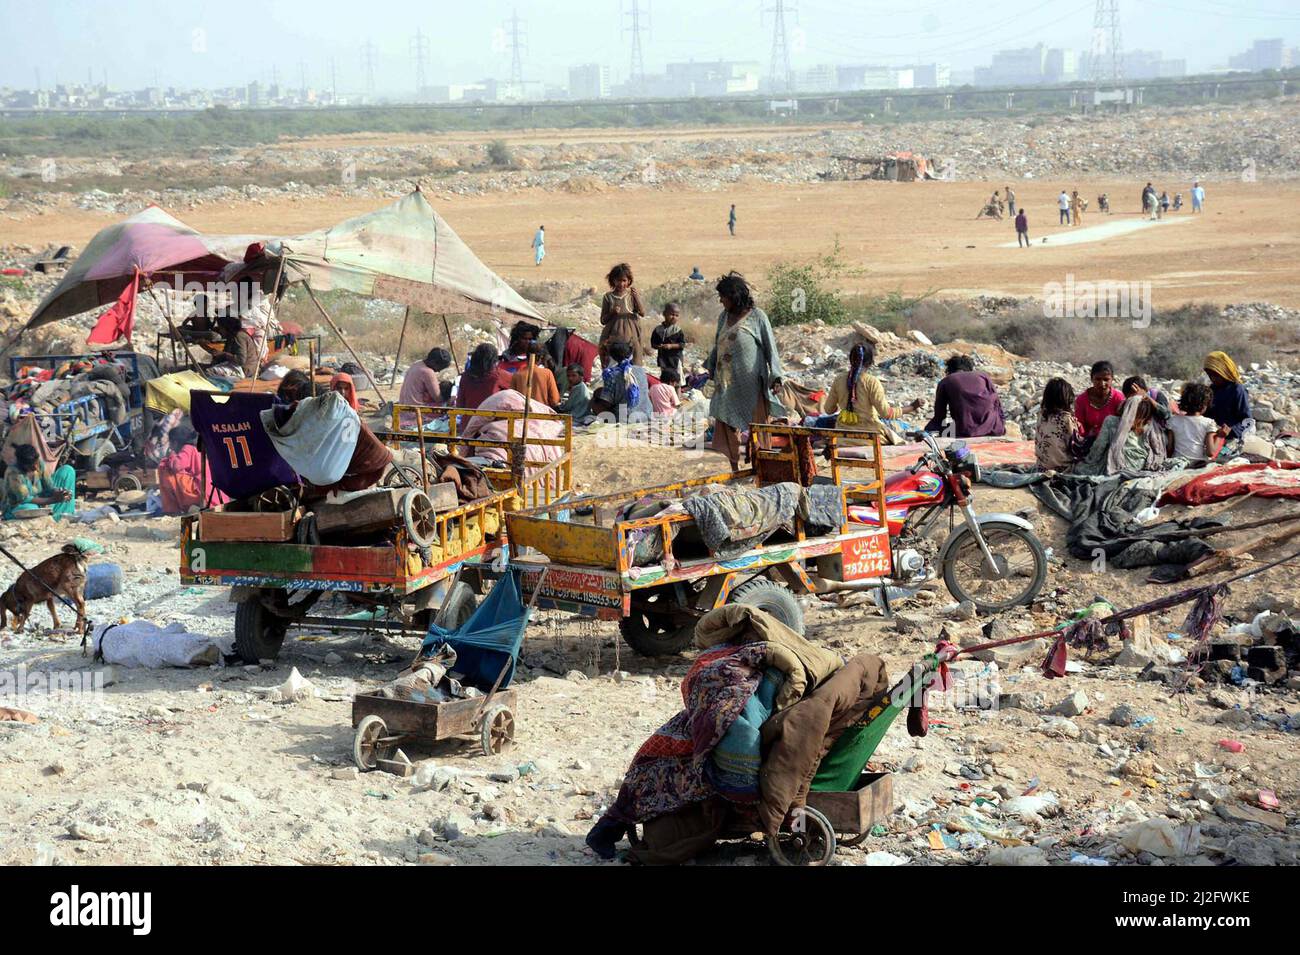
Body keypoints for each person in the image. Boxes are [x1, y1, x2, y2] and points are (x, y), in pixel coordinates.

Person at [704, 272, 785, 471]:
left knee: (757, 425)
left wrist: (776, 377)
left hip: (751, 382)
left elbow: (770, 348)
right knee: (727, 423)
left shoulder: (757, 317)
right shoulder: (724, 316)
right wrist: (711, 367)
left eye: (723, 296)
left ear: (734, 296)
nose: (721, 300)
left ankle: (760, 465)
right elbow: (718, 343)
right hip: (727, 381)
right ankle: (735, 467)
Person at [823, 342, 922, 445]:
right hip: (870, 439)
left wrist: (845, 406)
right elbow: (887, 413)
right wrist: (912, 407)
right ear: (870, 362)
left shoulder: (839, 379)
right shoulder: (871, 382)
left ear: (851, 360)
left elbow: (828, 410)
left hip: (842, 438)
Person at [1076, 395, 1167, 476]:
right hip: (1140, 465)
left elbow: (1099, 447)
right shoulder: (1150, 425)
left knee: (1079, 469)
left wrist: (1089, 460)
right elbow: (1157, 450)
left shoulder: (1112, 421)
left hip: (1119, 466)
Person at [924, 354, 1006, 438]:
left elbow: (940, 415)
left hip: (965, 430)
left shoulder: (946, 381)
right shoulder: (983, 376)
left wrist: (929, 429)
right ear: (969, 368)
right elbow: (997, 404)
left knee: (934, 431)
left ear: (949, 369)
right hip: (994, 428)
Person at [157, 426, 226, 515]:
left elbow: (177, 466)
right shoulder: (193, 448)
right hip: (208, 490)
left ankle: (171, 509)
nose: (169, 445)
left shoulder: (187, 448)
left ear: (175, 442)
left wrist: (171, 455)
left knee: (164, 468)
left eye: (169, 442)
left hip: (204, 489)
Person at [3, 444, 74, 521]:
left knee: (67, 470)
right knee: (30, 509)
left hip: (44, 502)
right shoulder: (13, 473)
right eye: (31, 465)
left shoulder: (38, 463)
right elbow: (25, 499)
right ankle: (51, 515)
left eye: (36, 463)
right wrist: (54, 499)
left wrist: (60, 492)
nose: (36, 467)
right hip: (20, 506)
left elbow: (49, 487)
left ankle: (60, 515)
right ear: (22, 465)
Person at [599, 263, 646, 366]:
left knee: (632, 366)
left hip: (631, 337)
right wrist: (612, 313)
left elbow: (642, 313)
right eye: (618, 280)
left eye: (624, 280)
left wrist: (636, 297)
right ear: (613, 280)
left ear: (629, 281)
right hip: (614, 338)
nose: (621, 284)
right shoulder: (608, 297)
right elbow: (603, 320)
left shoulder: (631, 296)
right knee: (613, 365)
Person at [1204, 350, 1253, 445]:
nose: (1213, 379)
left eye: (1216, 375)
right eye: (1210, 375)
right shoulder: (1212, 389)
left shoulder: (1237, 390)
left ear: (1224, 371)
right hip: (1213, 439)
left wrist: (1231, 430)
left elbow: (1247, 421)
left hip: (1232, 439)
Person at [1034, 377, 1082, 472]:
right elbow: (1075, 446)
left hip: (1041, 466)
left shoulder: (1042, 415)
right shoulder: (1066, 418)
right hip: (1062, 468)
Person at [597, 341, 653, 420]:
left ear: (611, 357)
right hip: (646, 414)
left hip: (625, 418)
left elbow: (607, 402)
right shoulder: (641, 371)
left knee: (596, 400)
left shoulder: (611, 375)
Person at [1169, 382, 1220, 464]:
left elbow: (1170, 449)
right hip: (1197, 464)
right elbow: (1211, 452)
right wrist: (1220, 436)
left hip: (1177, 463)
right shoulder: (1209, 423)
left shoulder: (1173, 420)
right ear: (1204, 405)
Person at [398, 347, 451, 427]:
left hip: (404, 409)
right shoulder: (428, 372)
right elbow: (438, 398)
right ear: (433, 362)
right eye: (439, 367)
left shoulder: (417, 363)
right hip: (415, 413)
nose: (439, 371)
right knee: (446, 406)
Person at [1074, 360, 1125, 441]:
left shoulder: (1119, 398)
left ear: (1112, 379)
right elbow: (1079, 425)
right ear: (1092, 379)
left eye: (1106, 379)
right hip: (1087, 442)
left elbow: (1123, 424)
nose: (1102, 383)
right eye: (1098, 379)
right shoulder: (1082, 400)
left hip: (1112, 441)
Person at [509, 343, 561, 409]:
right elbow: (554, 401)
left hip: (520, 416)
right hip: (541, 416)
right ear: (541, 357)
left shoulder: (517, 375)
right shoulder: (547, 373)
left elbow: (511, 398)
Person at [457, 343, 506, 411]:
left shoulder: (465, 376)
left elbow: (460, 405)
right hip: (490, 420)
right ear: (494, 361)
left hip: (469, 420)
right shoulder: (500, 375)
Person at [650, 303, 686, 379]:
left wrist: (671, 346)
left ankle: (677, 391)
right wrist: (659, 346)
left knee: (677, 380)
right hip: (663, 360)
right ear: (664, 314)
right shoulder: (658, 330)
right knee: (665, 379)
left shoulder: (677, 330)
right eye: (672, 314)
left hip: (675, 359)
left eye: (676, 315)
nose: (674, 317)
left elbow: (682, 344)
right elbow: (653, 344)